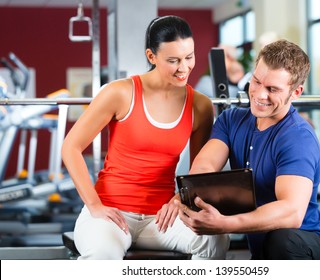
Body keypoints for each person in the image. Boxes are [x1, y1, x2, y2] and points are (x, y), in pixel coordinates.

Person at [61, 15, 229, 260]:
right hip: (112, 213)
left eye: (189, 57)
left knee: (214, 240)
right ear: (152, 57)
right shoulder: (120, 93)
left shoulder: (200, 106)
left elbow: (200, 170)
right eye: (173, 60)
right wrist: (95, 205)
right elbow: (70, 147)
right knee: (102, 254)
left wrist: (179, 198)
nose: (184, 68)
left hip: (162, 217)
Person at [175, 39, 320, 260]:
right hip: (265, 252)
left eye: (272, 89)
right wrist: (188, 197)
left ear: (296, 92)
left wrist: (226, 224)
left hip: (303, 249)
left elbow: (291, 212)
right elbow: (205, 166)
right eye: (256, 82)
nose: (260, 95)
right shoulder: (231, 120)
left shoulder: (297, 137)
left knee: (282, 240)